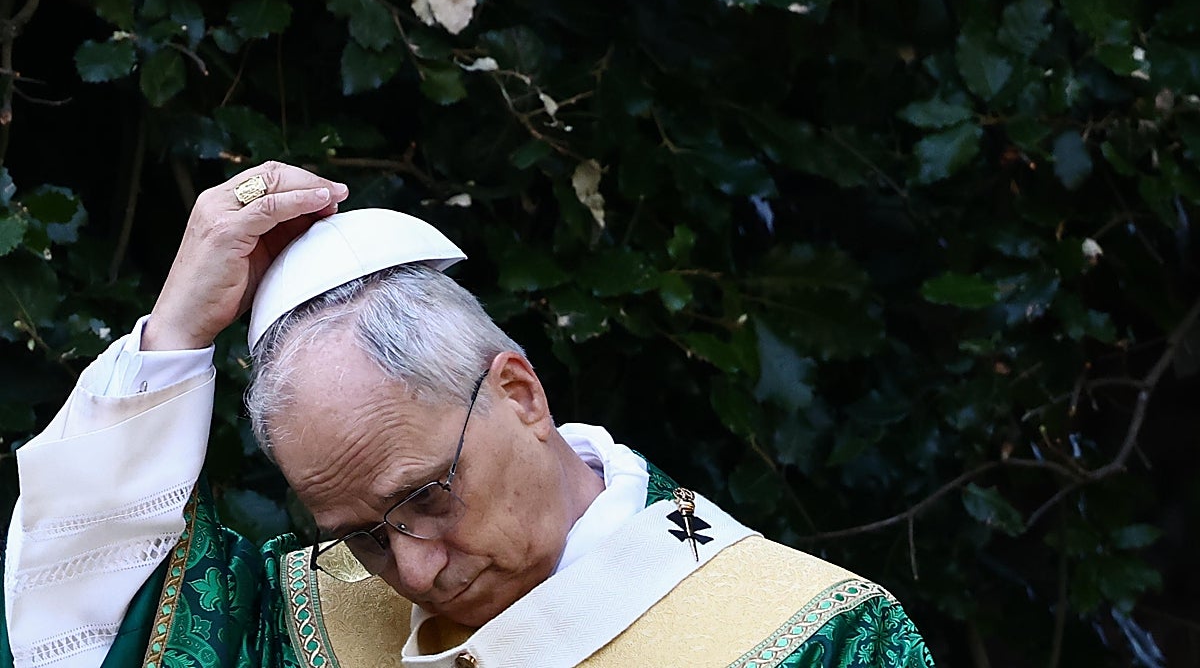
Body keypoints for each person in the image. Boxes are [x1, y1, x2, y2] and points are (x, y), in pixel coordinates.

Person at [1, 162, 935, 668]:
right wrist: (172, 340)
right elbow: (78, 629)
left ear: (520, 393)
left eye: (430, 495)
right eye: (363, 534)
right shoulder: (296, 623)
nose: (412, 566)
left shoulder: (813, 638)